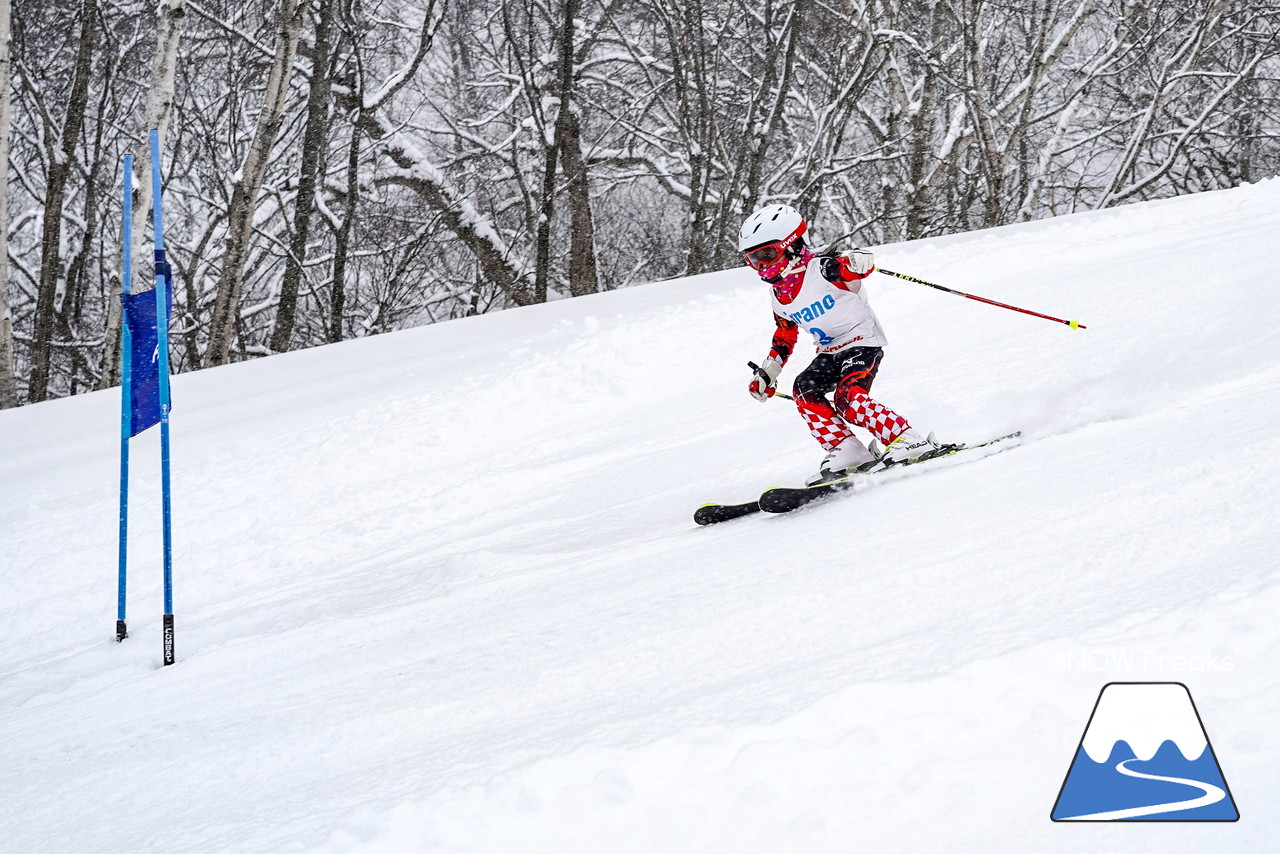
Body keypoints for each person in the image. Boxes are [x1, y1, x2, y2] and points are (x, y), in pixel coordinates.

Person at [740, 203, 949, 486]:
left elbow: (849, 268)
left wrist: (859, 262)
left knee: (847, 398)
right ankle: (848, 450)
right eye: (753, 259)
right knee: (804, 390)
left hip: (861, 342)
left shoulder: (822, 270)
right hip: (829, 351)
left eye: (767, 254)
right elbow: (785, 334)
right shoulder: (779, 295)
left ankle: (907, 441)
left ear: (790, 245)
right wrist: (769, 371)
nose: (761, 265)